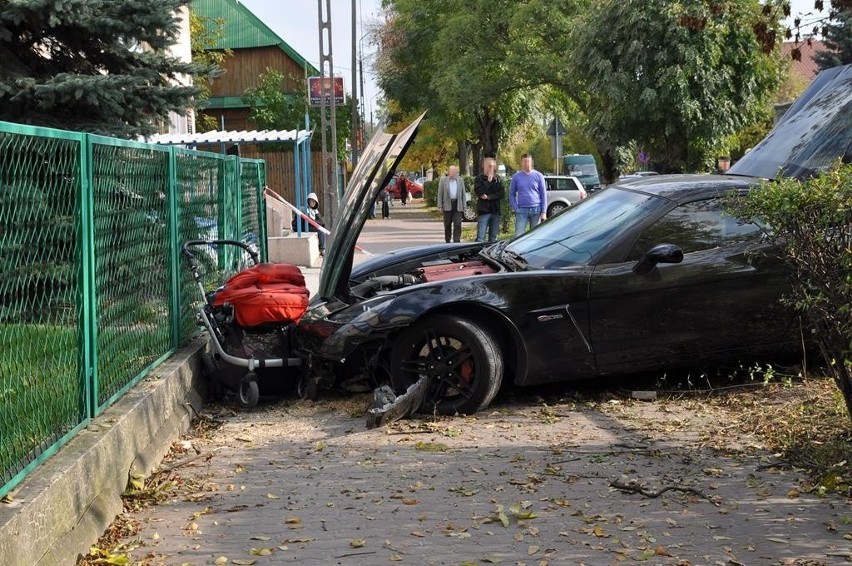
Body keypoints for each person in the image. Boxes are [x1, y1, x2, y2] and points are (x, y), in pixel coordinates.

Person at [509, 153, 547, 236]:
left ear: (532, 162)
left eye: (528, 161)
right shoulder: (516, 177)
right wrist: (516, 208)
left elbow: (543, 194)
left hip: (536, 210)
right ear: (521, 163)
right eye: (525, 162)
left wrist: (543, 211)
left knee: (536, 235)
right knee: (518, 235)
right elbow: (511, 194)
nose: (527, 164)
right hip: (522, 210)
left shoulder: (539, 176)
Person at [474, 157, 504, 242]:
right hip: (484, 211)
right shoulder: (479, 178)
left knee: (493, 238)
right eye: (489, 166)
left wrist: (489, 197)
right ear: (484, 166)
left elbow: (501, 194)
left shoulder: (498, 179)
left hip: (495, 211)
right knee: (480, 237)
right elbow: (479, 192)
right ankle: (478, 253)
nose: (491, 168)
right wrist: (488, 181)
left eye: (492, 166)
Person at [436, 165, 467, 243]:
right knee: (447, 224)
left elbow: (463, 194)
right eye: (452, 172)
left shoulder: (460, 180)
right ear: (448, 172)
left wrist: (464, 205)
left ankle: (456, 241)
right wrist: (439, 205)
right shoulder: (443, 180)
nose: (453, 174)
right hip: (447, 205)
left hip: (457, 204)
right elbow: (440, 194)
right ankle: (448, 240)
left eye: (455, 172)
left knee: (457, 223)